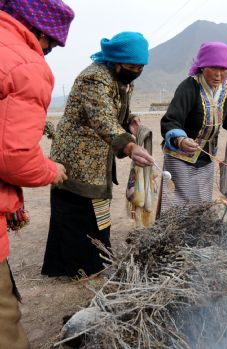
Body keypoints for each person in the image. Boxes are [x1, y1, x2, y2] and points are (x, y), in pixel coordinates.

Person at [41, 32, 154, 278]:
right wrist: (129, 146)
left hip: (97, 155)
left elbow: (116, 110)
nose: (136, 71)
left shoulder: (123, 80)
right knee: (76, 210)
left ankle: (94, 261)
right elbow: (102, 117)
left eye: (140, 67)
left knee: (97, 210)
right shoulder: (94, 78)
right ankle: (73, 267)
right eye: (131, 66)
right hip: (76, 155)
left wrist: (130, 120)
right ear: (116, 61)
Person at [0, 0, 74, 347]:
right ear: (41, 32)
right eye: (52, 46)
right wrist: (50, 169)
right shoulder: (25, 63)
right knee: (4, 318)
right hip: (65, 162)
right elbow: (14, 156)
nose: (48, 53)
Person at [160, 41, 227, 212]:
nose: (219, 74)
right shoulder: (189, 87)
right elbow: (171, 120)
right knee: (180, 202)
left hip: (207, 158)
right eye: (214, 68)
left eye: (224, 69)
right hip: (180, 157)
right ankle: (175, 237)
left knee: (202, 201)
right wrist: (181, 140)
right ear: (202, 67)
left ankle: (196, 236)